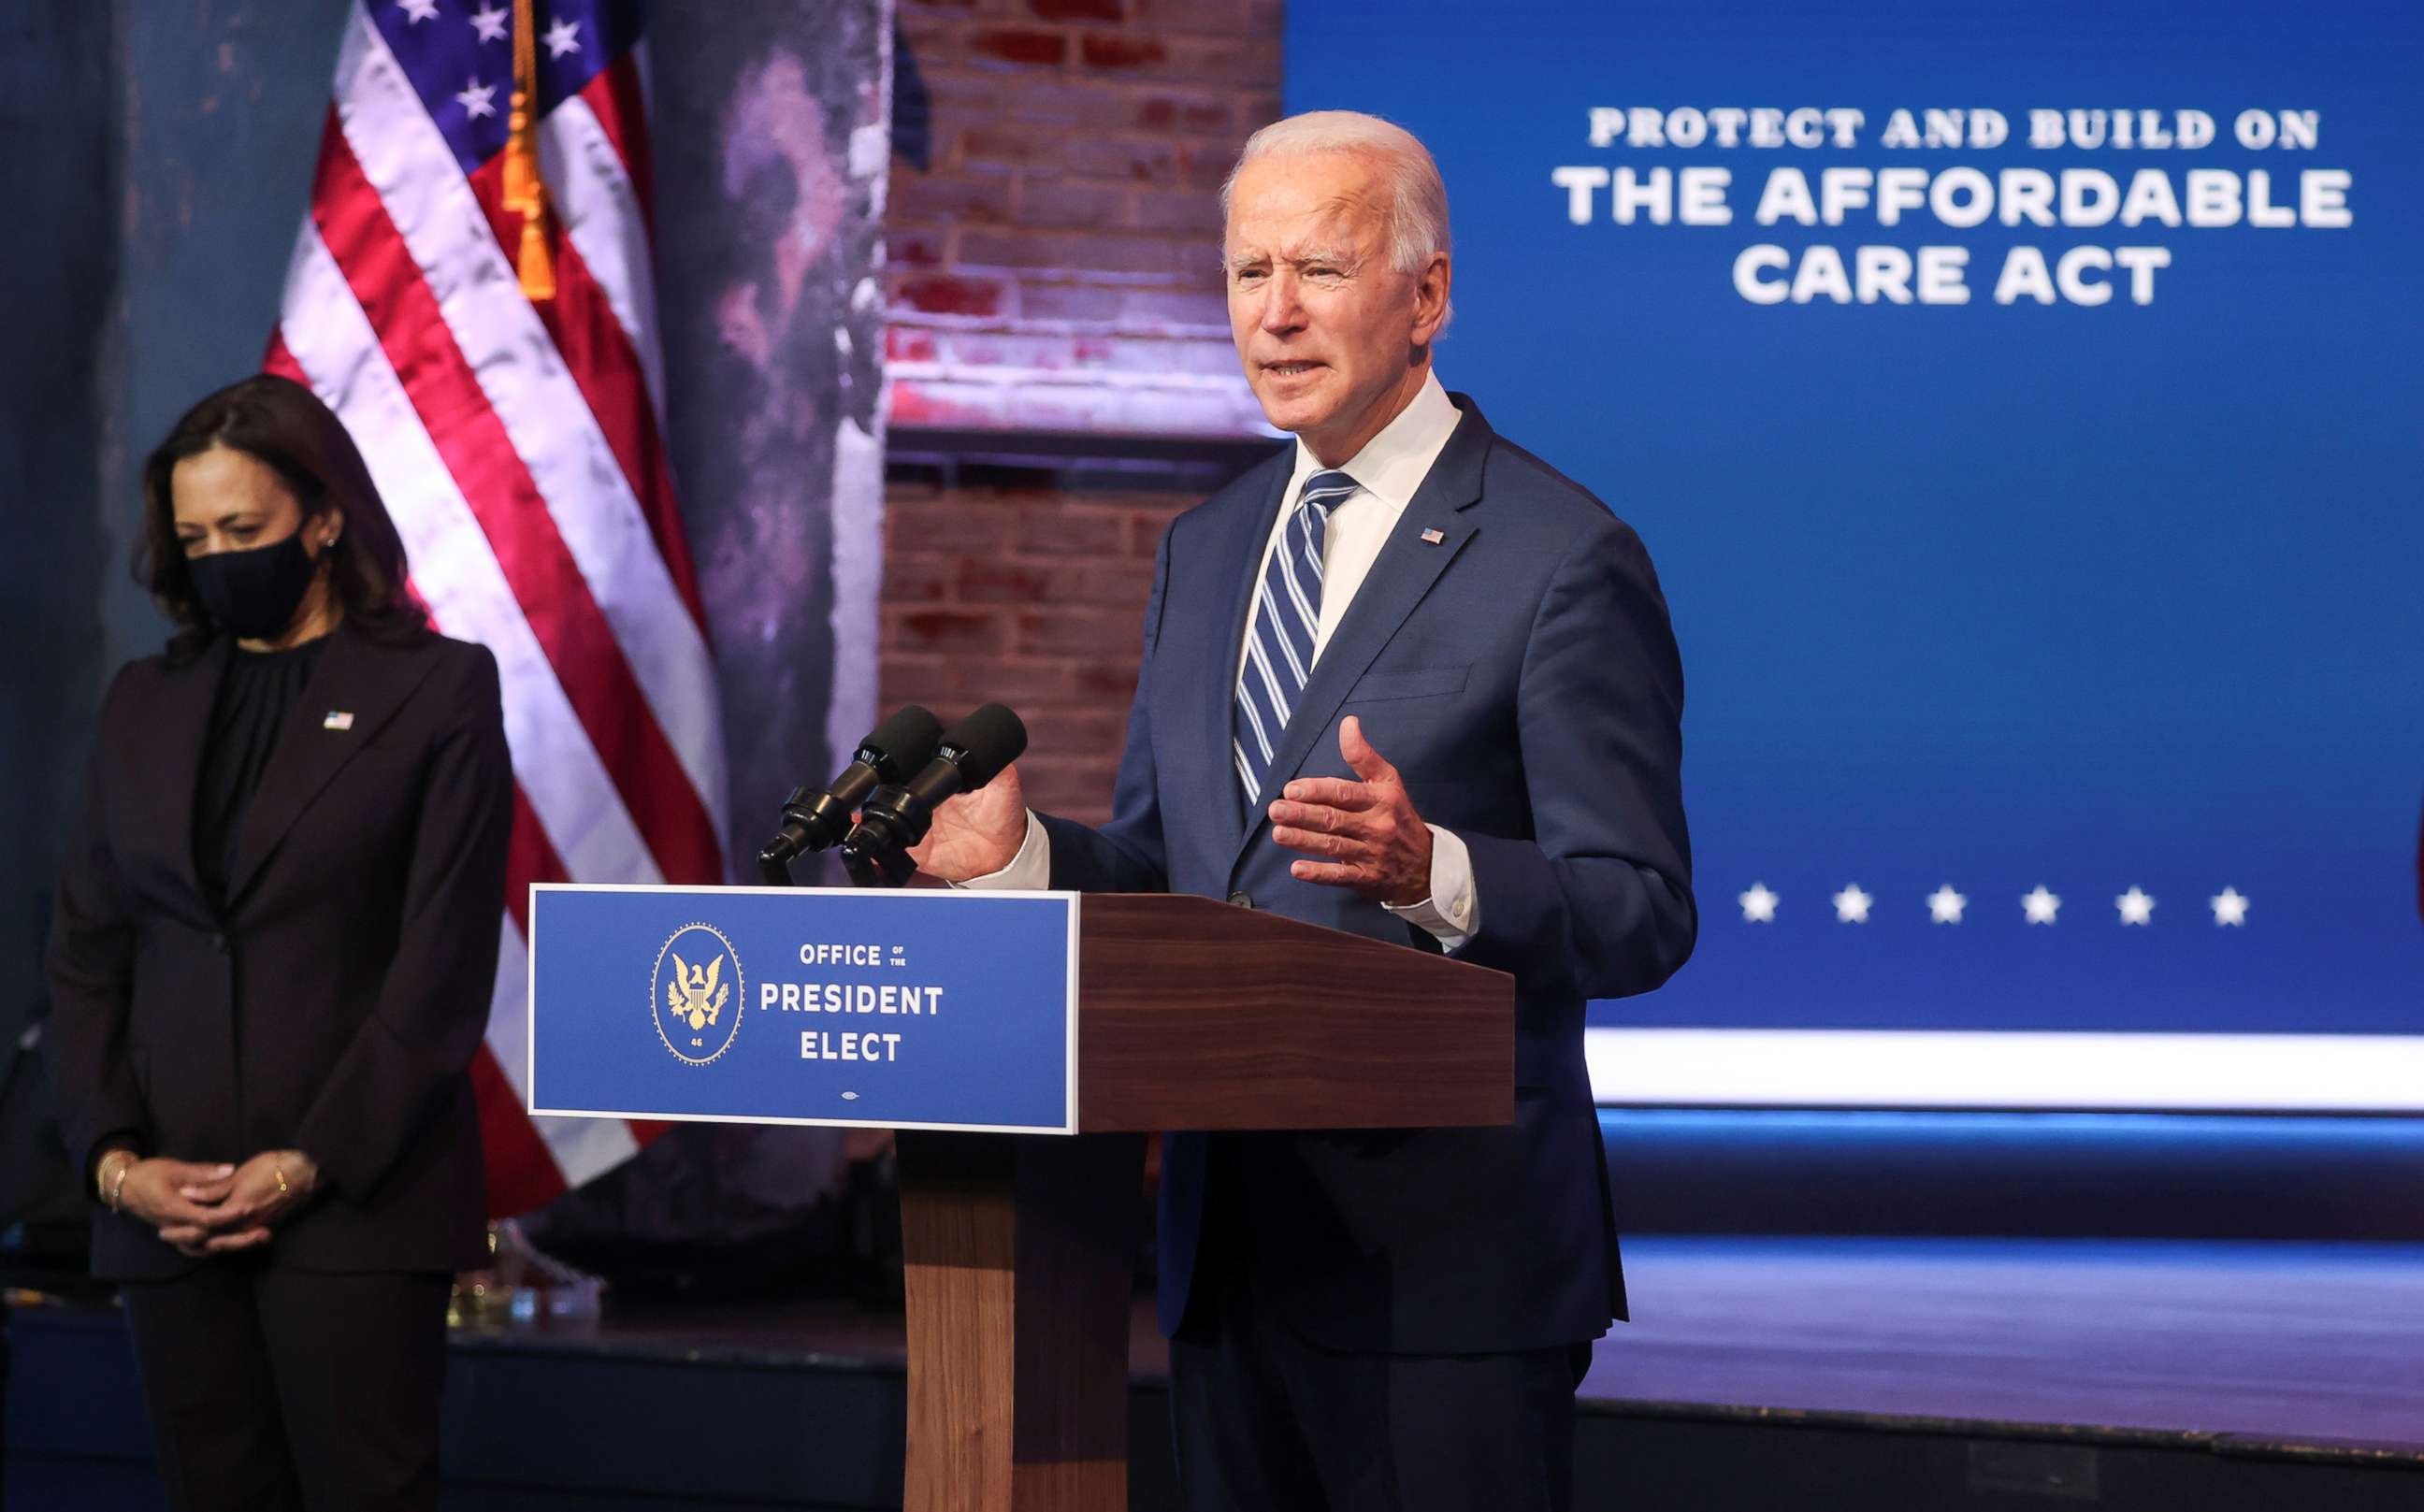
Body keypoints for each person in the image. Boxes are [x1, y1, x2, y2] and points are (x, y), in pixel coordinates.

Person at [912, 112, 1696, 1510]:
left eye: (1320, 272)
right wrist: (1021, 863)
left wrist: (1435, 869)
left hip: (1449, 1272)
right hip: (1232, 1256)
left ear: (1428, 296)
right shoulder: (1206, 549)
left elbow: (1640, 907)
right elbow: (1175, 870)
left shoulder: (1562, 556)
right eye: (1245, 272)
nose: (1273, 317)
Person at [45, 374, 513, 1512]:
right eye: (195, 538)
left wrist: (309, 1162)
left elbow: (441, 969)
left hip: (355, 1203)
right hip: (168, 1209)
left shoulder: (439, 689)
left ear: (324, 517)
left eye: (243, 530)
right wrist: (116, 1165)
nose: (218, 558)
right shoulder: (141, 702)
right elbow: (88, 954)